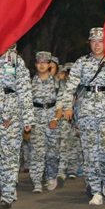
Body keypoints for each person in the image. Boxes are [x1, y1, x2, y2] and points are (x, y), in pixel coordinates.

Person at [63, 28, 105, 205]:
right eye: (93, 41)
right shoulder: (81, 62)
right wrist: (67, 106)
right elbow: (70, 87)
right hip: (87, 112)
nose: (97, 45)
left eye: (101, 41)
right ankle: (96, 190)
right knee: (90, 153)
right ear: (89, 43)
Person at [0, 44, 33, 208]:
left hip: (14, 112)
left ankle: (7, 195)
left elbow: (25, 90)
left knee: (10, 155)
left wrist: (27, 118)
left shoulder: (15, 61)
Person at [28, 51, 63, 191]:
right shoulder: (30, 83)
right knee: (37, 151)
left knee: (52, 152)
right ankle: (36, 181)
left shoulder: (57, 83)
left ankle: (51, 177)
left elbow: (60, 104)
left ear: (49, 64)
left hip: (51, 118)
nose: (42, 65)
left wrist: (56, 119)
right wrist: (28, 120)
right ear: (35, 64)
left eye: (45, 63)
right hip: (36, 119)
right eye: (39, 62)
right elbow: (26, 103)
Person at [57, 63, 83, 179]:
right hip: (65, 119)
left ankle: (73, 169)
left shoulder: (82, 87)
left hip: (78, 119)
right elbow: (60, 104)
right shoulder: (63, 87)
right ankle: (62, 170)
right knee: (64, 145)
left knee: (76, 144)